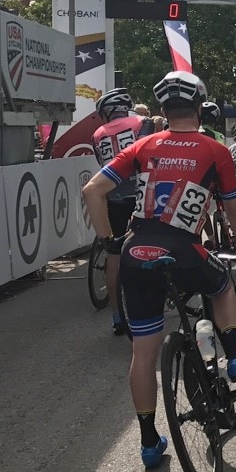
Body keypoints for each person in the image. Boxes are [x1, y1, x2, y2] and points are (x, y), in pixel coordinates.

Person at [81, 71, 236, 469]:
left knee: (143, 354)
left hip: (135, 251)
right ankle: (235, 355)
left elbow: (92, 190)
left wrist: (111, 241)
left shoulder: (145, 145)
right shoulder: (214, 149)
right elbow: (234, 208)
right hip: (183, 249)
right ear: (200, 108)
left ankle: (149, 443)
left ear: (162, 111)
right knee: (221, 287)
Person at [90, 87, 155, 334]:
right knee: (150, 245)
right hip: (142, 194)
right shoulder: (142, 122)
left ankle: (117, 316)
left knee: (114, 257)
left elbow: (103, 165)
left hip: (115, 196)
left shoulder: (97, 134)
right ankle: (149, 306)